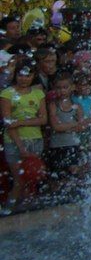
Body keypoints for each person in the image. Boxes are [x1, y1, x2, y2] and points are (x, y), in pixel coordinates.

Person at [1, 56, 47, 213]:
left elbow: (43, 119)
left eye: (28, 75)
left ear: (33, 76)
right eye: (21, 75)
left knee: (31, 178)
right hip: (14, 141)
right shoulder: (7, 94)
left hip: (35, 139)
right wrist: (20, 146)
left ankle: (26, 210)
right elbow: (8, 122)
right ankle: (8, 210)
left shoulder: (38, 94)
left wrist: (20, 122)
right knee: (19, 179)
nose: (24, 79)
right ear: (15, 75)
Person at [45, 74, 91, 196]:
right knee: (58, 175)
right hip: (56, 146)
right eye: (59, 88)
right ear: (54, 89)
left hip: (73, 145)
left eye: (65, 87)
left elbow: (81, 127)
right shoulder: (53, 105)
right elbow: (56, 126)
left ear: (72, 88)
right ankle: (58, 198)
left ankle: (73, 195)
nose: (62, 91)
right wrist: (73, 125)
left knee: (74, 171)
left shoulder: (76, 106)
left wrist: (66, 127)